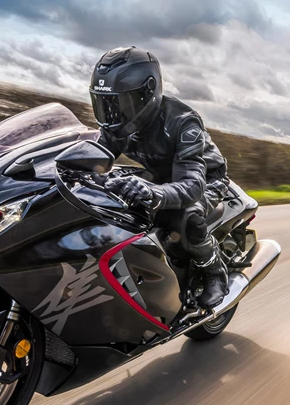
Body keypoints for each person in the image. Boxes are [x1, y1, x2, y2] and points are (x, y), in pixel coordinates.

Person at [89, 46, 230, 309]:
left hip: (205, 178)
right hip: (161, 174)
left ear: (147, 94)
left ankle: (215, 273)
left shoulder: (183, 122)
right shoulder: (116, 125)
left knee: (188, 220)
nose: (112, 114)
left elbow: (192, 185)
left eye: (121, 103)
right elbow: (94, 159)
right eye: (105, 103)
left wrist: (153, 193)